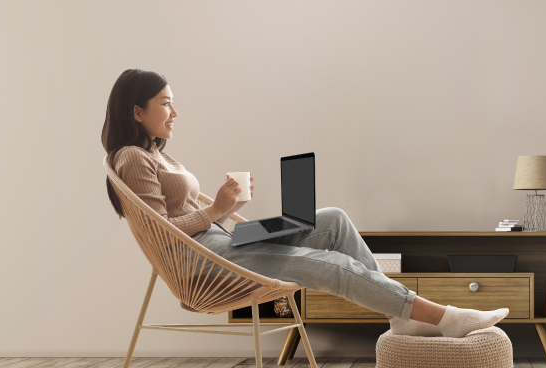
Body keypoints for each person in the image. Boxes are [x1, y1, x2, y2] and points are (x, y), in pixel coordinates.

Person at [101, 69, 507, 337]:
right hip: (204, 261)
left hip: (223, 240)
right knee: (331, 266)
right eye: (166, 102)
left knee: (331, 220)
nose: (175, 111)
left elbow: (187, 216)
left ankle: (398, 317)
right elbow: (162, 231)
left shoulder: (158, 153)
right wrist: (215, 210)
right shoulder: (131, 157)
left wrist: (224, 209)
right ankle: (445, 318)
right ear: (137, 111)